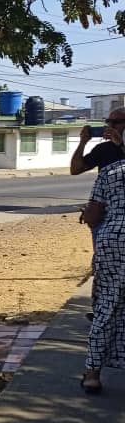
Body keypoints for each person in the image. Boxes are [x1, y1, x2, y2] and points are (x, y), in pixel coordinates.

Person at [79, 159, 125, 393]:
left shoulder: (111, 171)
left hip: (115, 243)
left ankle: (93, 374)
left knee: (107, 305)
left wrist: (88, 216)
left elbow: (95, 214)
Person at [70, 109, 125, 175]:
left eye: (117, 122)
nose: (111, 126)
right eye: (108, 121)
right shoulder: (103, 148)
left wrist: (120, 144)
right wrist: (82, 142)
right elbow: (75, 170)